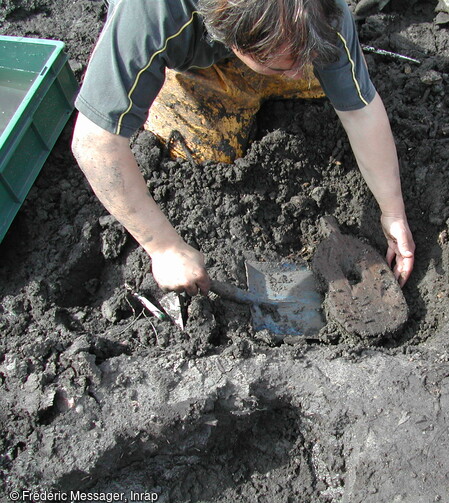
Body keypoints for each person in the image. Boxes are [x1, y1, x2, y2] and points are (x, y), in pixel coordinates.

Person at [71, 0, 415, 297]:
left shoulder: (321, 10)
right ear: (237, 43)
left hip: (266, 39)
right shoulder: (153, 14)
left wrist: (393, 211)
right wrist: (163, 247)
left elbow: (360, 111)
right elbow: (94, 142)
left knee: (329, 77)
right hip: (189, 60)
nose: (300, 73)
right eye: (286, 65)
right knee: (207, 150)